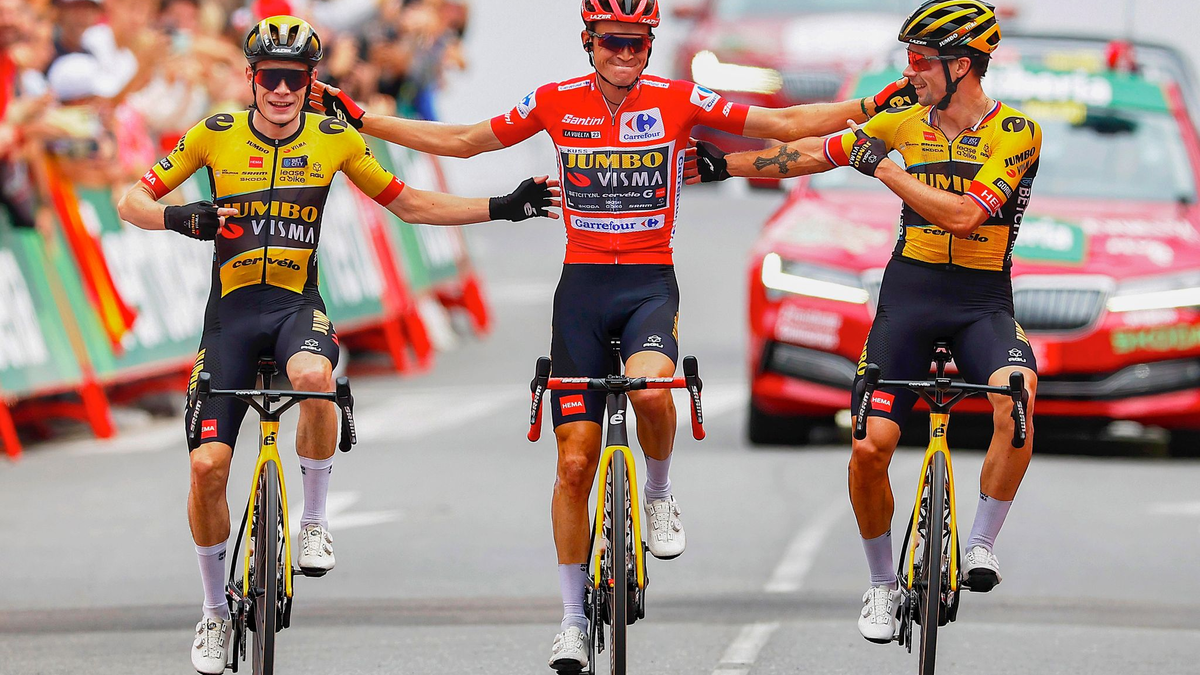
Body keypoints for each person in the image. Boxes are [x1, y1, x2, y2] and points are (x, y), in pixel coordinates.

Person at [311, 0, 919, 669]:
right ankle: (572, 617)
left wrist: (867, 108)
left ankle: (657, 495)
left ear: (650, 45)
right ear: (588, 42)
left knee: (654, 393)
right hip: (582, 290)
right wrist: (364, 117)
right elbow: (465, 139)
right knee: (574, 464)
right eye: (612, 43)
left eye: (637, 44)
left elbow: (783, 123)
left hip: (648, 287)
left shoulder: (677, 97)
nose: (625, 55)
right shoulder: (554, 100)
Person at [115, 15, 558, 674]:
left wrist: (502, 205)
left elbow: (410, 204)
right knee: (208, 467)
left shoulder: (333, 138)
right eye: (272, 77)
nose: (283, 91)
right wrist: (181, 216)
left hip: (297, 308)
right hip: (230, 319)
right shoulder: (214, 135)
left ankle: (314, 519)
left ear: (311, 82)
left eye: (296, 79)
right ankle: (212, 611)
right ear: (251, 78)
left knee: (315, 376)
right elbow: (128, 200)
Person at [690, 0, 1039, 646]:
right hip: (910, 297)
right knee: (868, 445)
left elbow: (966, 216)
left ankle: (983, 543)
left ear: (963, 66)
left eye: (922, 60)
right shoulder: (901, 121)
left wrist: (885, 169)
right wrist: (722, 164)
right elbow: (807, 156)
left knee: (1017, 395)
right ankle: (881, 581)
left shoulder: (1016, 132)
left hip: (983, 303)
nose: (910, 71)